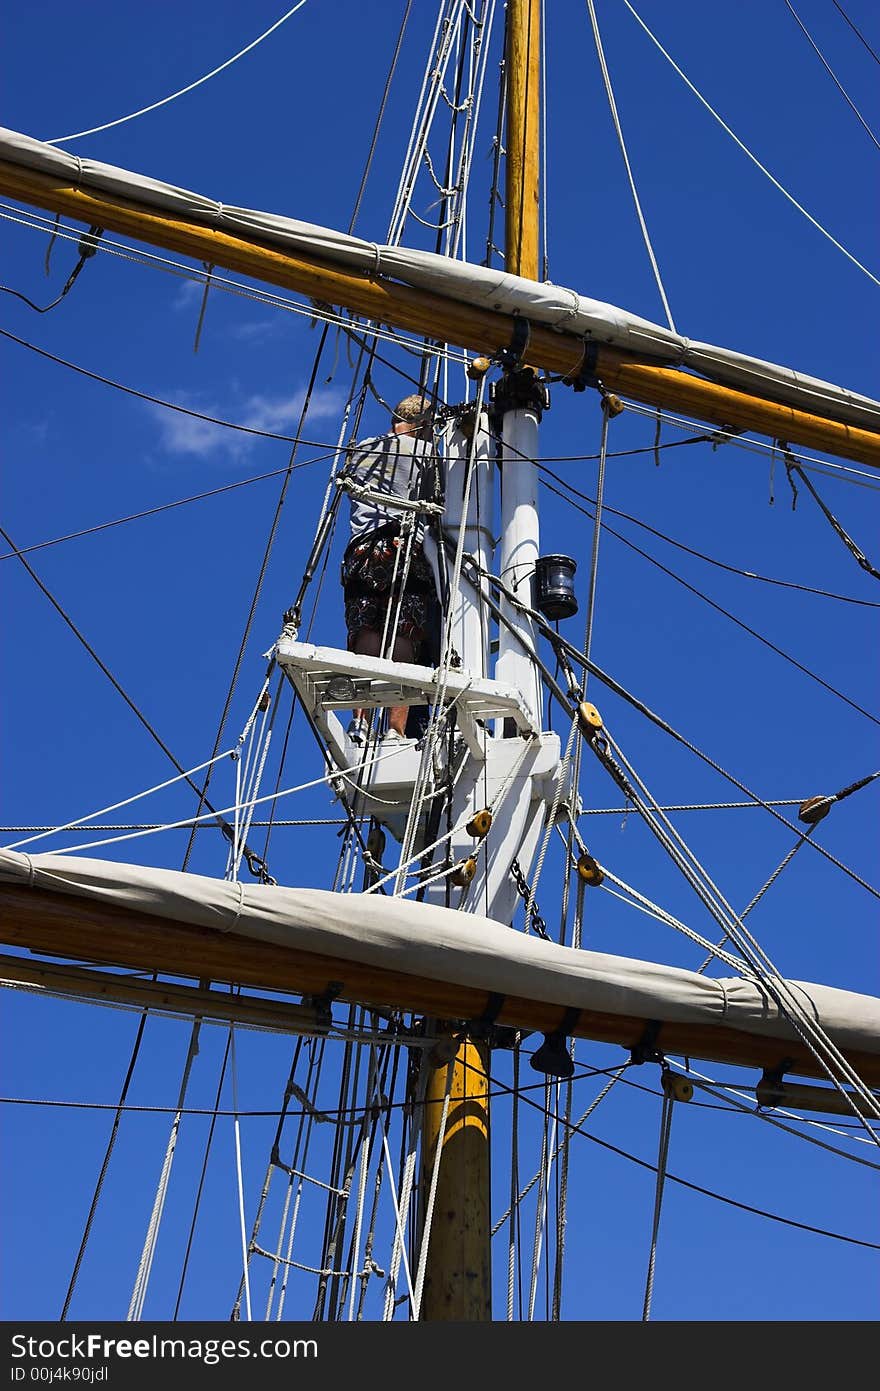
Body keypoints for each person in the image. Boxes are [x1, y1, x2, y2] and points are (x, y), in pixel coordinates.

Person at [340, 394, 439, 745]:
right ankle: (396, 730)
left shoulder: (364, 449)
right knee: (404, 637)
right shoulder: (427, 455)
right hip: (403, 548)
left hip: (363, 550)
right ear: (425, 426)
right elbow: (443, 502)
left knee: (367, 633)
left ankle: (361, 722)